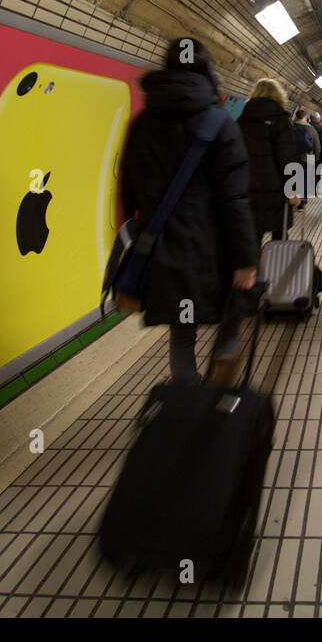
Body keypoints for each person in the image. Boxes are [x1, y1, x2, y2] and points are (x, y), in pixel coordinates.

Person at [119, 38, 259, 383]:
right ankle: (224, 361)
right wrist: (245, 260)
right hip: (214, 248)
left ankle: (184, 402)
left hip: (163, 248)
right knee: (232, 310)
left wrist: (131, 233)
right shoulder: (220, 123)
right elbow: (234, 199)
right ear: (208, 74)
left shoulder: (142, 124)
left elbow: (128, 189)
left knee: (182, 330)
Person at [238, 78, 302, 241]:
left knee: (252, 239)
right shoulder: (281, 121)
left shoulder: (241, 120)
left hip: (248, 190)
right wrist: (293, 190)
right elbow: (287, 158)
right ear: (278, 95)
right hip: (276, 193)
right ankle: (277, 266)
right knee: (280, 238)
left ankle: (254, 265)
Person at [293, 108, 320, 211]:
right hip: (309, 158)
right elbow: (317, 146)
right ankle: (302, 202)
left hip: (295, 157)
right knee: (306, 180)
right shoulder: (312, 129)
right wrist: (316, 157)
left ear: (296, 117)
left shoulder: (291, 127)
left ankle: (294, 198)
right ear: (305, 117)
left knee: (295, 178)